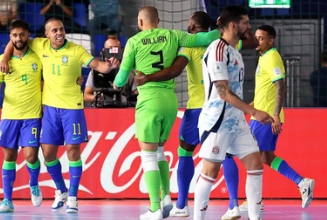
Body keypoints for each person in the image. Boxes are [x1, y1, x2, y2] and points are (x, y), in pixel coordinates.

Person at [133, 10, 257, 218]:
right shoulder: (226, 43)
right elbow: (252, 42)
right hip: (224, 108)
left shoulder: (187, 47)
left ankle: (181, 205)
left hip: (197, 110)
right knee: (226, 155)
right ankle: (234, 204)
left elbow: (174, 71)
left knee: (185, 153)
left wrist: (148, 77)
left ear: (191, 26)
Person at [0, 18, 120, 213]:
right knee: (47, 153)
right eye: (54, 30)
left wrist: (110, 65)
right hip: (50, 109)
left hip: (72, 107)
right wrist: (5, 58)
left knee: (73, 151)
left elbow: (99, 65)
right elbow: (14, 40)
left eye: (61, 29)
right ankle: (61, 189)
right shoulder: (40, 45)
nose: (59, 33)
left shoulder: (76, 50)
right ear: (47, 34)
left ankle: (72, 196)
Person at [113, 6, 221, 220]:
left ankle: (155, 209)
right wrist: (219, 26)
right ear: (159, 20)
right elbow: (209, 36)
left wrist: (116, 79)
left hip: (149, 101)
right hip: (170, 101)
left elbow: (119, 80)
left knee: (148, 155)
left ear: (140, 23)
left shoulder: (134, 42)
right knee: (160, 152)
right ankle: (165, 199)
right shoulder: (174, 36)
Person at [194, 6, 275, 220]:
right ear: (233, 25)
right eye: (245, 22)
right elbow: (222, 91)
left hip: (236, 121)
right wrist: (254, 111)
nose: (249, 27)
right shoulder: (217, 49)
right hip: (217, 122)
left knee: (255, 165)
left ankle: (256, 217)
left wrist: (247, 111)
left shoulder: (234, 50)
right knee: (210, 173)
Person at [230, 25, 315, 213]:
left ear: (271, 40)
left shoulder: (272, 58)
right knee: (266, 157)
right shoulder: (264, 58)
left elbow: (280, 86)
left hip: (266, 118)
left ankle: (256, 201)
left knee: (251, 157)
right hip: (261, 115)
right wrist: (249, 108)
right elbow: (264, 91)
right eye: (257, 37)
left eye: (262, 38)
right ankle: (302, 182)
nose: (258, 41)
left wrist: (275, 115)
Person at [0, 20, 43, 213]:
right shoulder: (2, 60)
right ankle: (7, 200)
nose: (18, 38)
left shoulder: (38, 57)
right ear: (10, 37)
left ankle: (34, 184)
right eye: (15, 35)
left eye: (22, 34)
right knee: (9, 155)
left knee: (31, 156)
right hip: (9, 115)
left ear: (28, 35)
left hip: (32, 115)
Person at [84, 38, 137, 107]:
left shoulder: (129, 70)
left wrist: (129, 97)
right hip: (101, 108)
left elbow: (136, 92)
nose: (113, 52)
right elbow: (86, 95)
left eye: (116, 48)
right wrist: (97, 98)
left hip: (124, 108)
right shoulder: (96, 71)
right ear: (104, 51)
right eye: (110, 48)